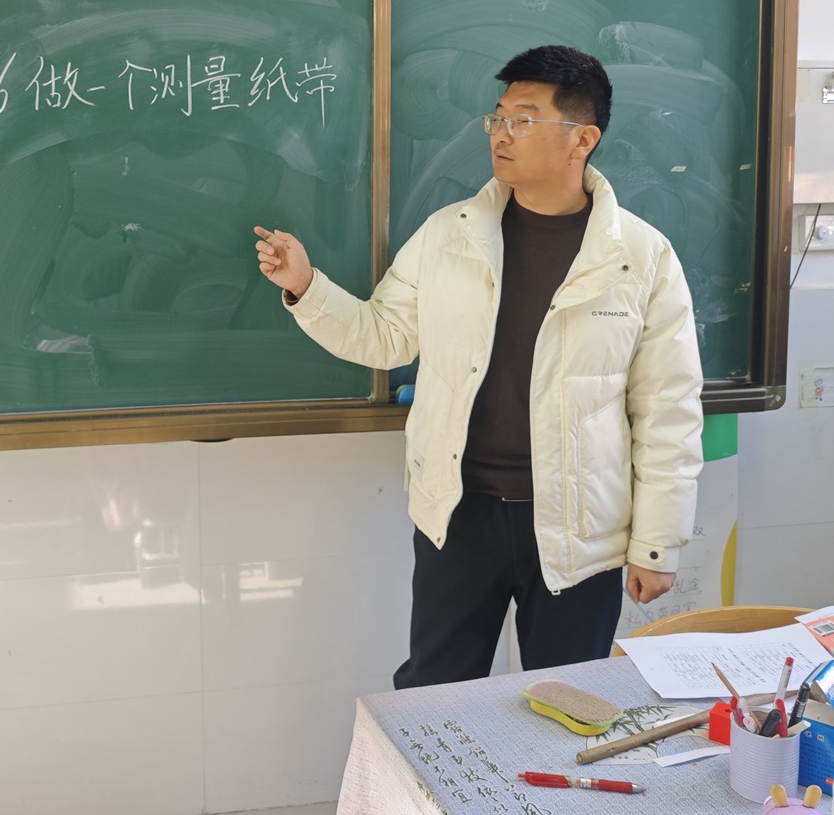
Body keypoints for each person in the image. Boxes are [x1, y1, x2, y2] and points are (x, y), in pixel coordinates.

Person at [253, 45, 703, 687]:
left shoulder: (641, 255)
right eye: (498, 117)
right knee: (433, 691)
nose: (501, 134)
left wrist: (658, 543)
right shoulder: (449, 234)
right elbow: (385, 337)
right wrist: (306, 287)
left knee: (567, 702)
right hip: (460, 513)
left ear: (583, 139)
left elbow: (668, 410)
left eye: (524, 119)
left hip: (578, 524)